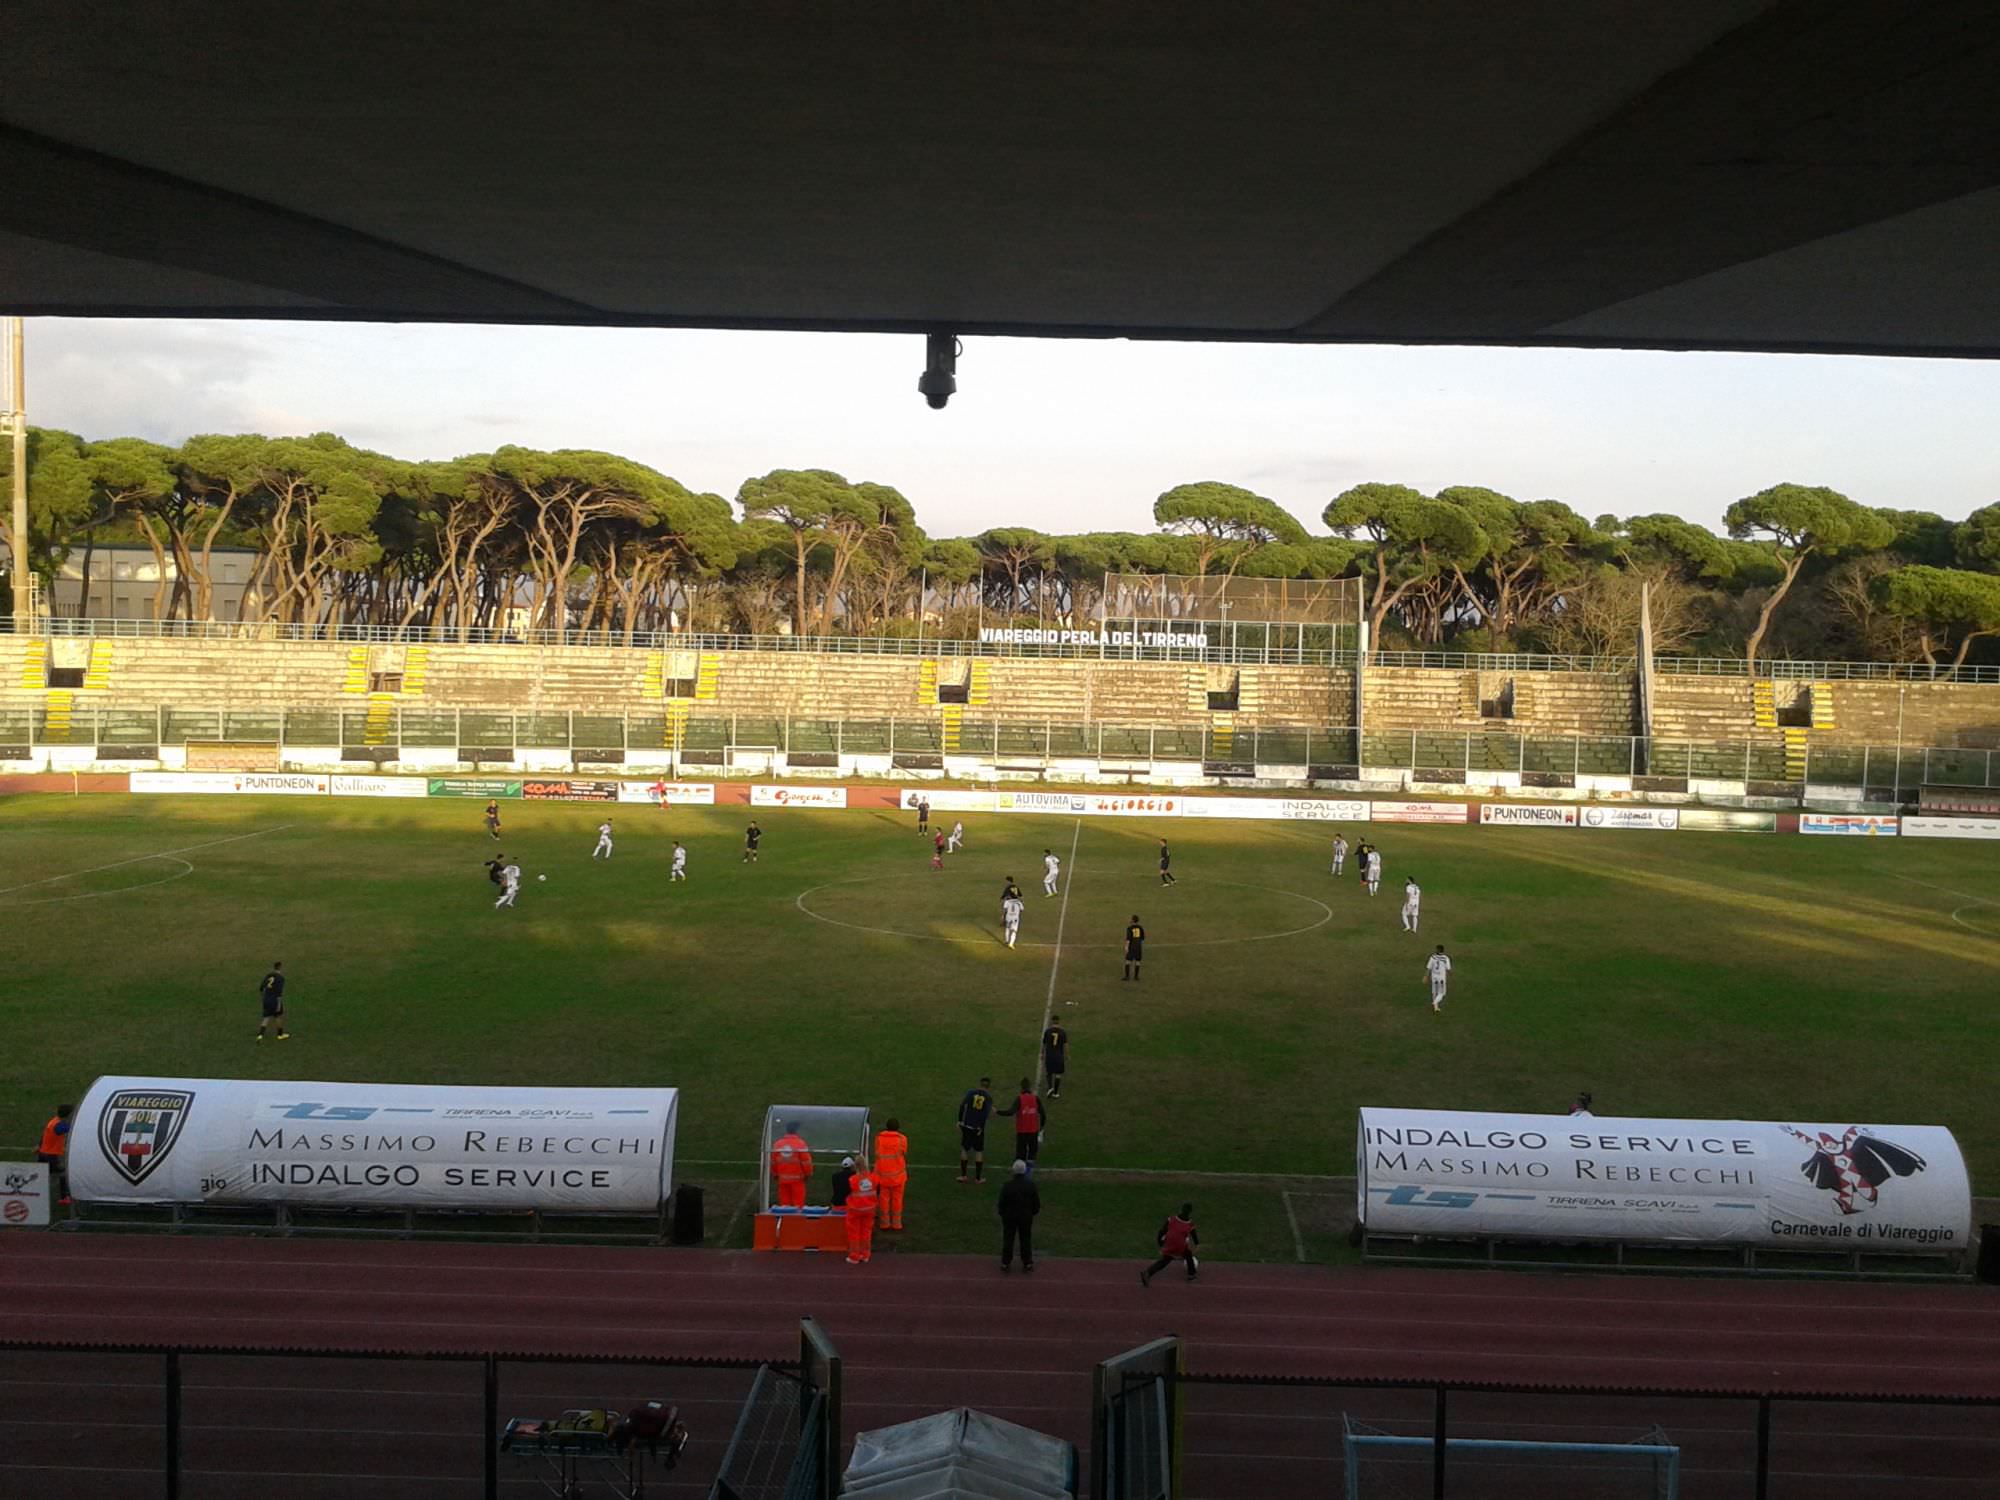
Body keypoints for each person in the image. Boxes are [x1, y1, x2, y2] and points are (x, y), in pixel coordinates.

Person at [1140, 1203, 1200, 1285]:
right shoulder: (1190, 1224)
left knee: (1167, 1259)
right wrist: (1197, 1244)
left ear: (1181, 1209)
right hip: (1179, 1246)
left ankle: (1147, 1273)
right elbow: (1194, 1236)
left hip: (1169, 1244)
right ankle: (1191, 1275)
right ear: (1190, 1212)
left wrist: (1160, 1241)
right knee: (1187, 1255)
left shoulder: (1171, 1219)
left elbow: (1162, 1231)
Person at [997, 1159, 1040, 1273]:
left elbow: (1001, 1204)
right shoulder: (1031, 1186)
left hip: (1009, 1217)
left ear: (1013, 1171)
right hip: (1025, 1217)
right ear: (1025, 1171)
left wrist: (1003, 1214)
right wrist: (1032, 1213)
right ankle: (1027, 1262)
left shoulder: (1007, 1186)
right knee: (1025, 1239)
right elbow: (1036, 1204)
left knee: (1008, 1239)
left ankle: (1006, 1262)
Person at [996, 1076, 1047, 1167]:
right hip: (1033, 1131)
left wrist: (997, 1112)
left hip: (1022, 1131)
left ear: (1021, 1087)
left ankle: (1020, 1174)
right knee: (1032, 1155)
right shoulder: (1035, 1099)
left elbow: (1010, 1112)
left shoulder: (1019, 1099)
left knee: (1020, 1154)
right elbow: (1043, 1114)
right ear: (1030, 1087)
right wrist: (1041, 1128)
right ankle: (1029, 1175)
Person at [874, 1118, 910, 1230]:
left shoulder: (879, 1139)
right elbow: (904, 1152)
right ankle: (897, 1223)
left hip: (883, 1175)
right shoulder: (902, 1139)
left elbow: (877, 1152)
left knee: (883, 1200)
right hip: (898, 1176)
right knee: (897, 1200)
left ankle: (884, 1223)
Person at [958, 1076, 995, 1183]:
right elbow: (985, 1114)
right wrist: (980, 1127)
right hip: (977, 1127)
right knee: (978, 1151)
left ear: (980, 1084)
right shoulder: (988, 1097)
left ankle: (963, 1175)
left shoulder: (971, 1092)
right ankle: (978, 1178)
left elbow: (962, 1105)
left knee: (965, 1149)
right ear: (988, 1087)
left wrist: (960, 1120)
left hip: (967, 1125)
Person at [770, 1120, 812, 1207]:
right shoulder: (800, 1144)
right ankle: (797, 1220)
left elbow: (773, 1161)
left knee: (784, 1204)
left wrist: (775, 1174)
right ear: (796, 1131)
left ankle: (785, 1219)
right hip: (797, 1179)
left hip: (782, 1179)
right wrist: (808, 1173)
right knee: (798, 1204)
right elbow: (806, 1162)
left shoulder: (778, 1144)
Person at [37, 1104, 72, 1204]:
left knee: (44, 1175)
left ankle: (38, 1193)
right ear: (68, 1115)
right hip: (51, 1156)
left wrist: (39, 1146)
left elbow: (44, 1135)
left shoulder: (53, 1121)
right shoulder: (59, 1125)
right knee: (62, 1174)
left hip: (43, 1153)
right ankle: (64, 1197)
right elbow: (70, 1129)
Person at [844, 1168, 879, 1265]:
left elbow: (846, 1192)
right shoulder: (873, 1178)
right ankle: (865, 1255)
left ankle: (854, 1256)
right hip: (870, 1209)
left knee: (854, 1233)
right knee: (866, 1232)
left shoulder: (853, 1179)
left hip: (855, 1210)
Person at [255, 960, 289, 1041]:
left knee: (266, 1017)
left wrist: (263, 998)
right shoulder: (280, 978)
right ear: (280, 967)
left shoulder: (269, 975)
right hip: (274, 1000)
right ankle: (280, 1034)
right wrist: (279, 1004)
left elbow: (261, 988)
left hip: (266, 999)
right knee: (278, 1016)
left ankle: (260, 1035)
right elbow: (279, 993)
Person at [1041, 1020, 1069, 1099]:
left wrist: (1042, 1053)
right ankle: (1056, 1093)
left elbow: (1044, 1043)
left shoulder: (1047, 1031)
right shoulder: (1062, 1032)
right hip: (1059, 1057)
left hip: (1050, 1056)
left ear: (1052, 1022)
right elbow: (1066, 1044)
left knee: (1049, 1073)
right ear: (1059, 1023)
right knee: (1058, 1075)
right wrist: (1067, 1055)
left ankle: (1050, 1088)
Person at [1426, 944, 1452, 1013]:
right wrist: (1451, 975)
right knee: (1442, 993)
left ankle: (1436, 1007)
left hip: (1434, 977)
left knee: (1434, 991)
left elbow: (1429, 967)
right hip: (1441, 978)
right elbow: (1448, 969)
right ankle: (1435, 1003)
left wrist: (1426, 976)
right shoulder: (1446, 958)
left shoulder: (1433, 957)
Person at [1122, 914, 1146, 982]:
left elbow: (1128, 939)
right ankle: (1136, 977)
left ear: (1132, 920)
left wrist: (1126, 947)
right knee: (1138, 961)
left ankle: (1127, 977)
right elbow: (1142, 938)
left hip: (1132, 946)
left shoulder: (1129, 928)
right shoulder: (1140, 928)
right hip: (1138, 946)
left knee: (1128, 961)